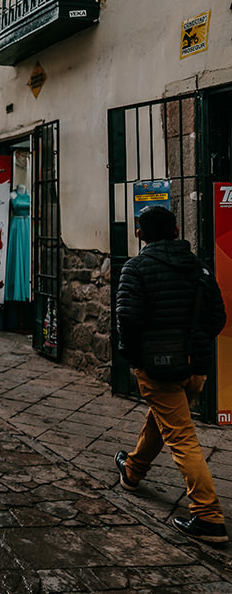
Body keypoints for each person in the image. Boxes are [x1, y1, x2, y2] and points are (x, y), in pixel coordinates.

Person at [114, 205, 227, 544]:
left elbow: (128, 320)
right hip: (196, 369)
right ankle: (132, 470)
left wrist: (137, 360)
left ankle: (208, 516)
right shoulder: (199, 268)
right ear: (177, 231)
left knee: (182, 437)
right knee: (164, 419)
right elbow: (217, 318)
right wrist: (196, 344)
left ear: (140, 234)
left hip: (158, 367)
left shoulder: (136, 268)